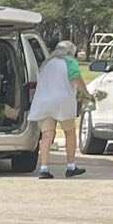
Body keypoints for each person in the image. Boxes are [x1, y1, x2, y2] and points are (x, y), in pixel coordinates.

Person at [29, 39, 91, 178]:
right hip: (63, 102)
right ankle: (71, 166)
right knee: (69, 132)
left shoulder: (47, 63)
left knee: (46, 135)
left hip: (44, 102)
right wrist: (86, 94)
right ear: (71, 52)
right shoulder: (70, 61)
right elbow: (76, 78)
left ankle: (44, 169)